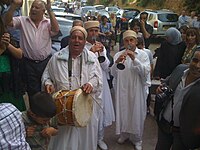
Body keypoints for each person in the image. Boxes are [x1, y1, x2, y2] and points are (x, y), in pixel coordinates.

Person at [42, 26, 103, 150]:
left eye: (80, 38)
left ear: (85, 41)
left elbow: (98, 78)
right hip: (63, 108)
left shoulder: (92, 58)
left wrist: (90, 84)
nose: (76, 41)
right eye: (74, 37)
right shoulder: (57, 57)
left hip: (85, 107)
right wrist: (48, 84)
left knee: (84, 142)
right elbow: (46, 76)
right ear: (69, 39)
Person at [5, 0, 59, 98]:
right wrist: (13, 6)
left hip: (45, 63)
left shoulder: (48, 23)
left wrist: (50, 10)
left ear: (43, 11)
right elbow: (8, 22)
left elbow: (56, 29)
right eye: (32, 7)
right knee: (33, 93)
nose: (33, 9)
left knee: (47, 90)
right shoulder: (22, 21)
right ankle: (35, 112)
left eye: (37, 8)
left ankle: (45, 112)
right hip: (28, 64)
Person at [111, 30, 150, 150]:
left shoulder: (143, 55)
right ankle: (124, 134)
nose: (129, 43)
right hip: (123, 89)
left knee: (137, 113)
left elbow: (145, 72)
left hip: (137, 89)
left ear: (136, 41)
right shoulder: (118, 55)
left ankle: (137, 139)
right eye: (126, 40)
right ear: (123, 42)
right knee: (124, 111)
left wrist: (134, 59)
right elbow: (113, 73)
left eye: (131, 40)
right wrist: (117, 62)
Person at [155, 48, 200, 150]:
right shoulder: (180, 69)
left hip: (184, 134)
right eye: (195, 60)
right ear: (190, 60)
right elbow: (167, 81)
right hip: (164, 125)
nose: (198, 66)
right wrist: (160, 88)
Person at [84, 21, 115, 150]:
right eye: (91, 31)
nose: (94, 33)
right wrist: (91, 51)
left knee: (101, 112)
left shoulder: (101, 46)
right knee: (89, 112)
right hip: (88, 83)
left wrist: (102, 53)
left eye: (96, 31)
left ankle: (100, 138)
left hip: (101, 83)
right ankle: (88, 139)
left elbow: (106, 67)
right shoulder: (82, 46)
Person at [0, 16, 26, 111]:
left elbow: (19, 54)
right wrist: (2, 49)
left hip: (11, 85)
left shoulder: (6, 36)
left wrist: (7, 45)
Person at [137, 36, 153, 114]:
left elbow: (151, 64)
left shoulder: (147, 52)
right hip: (138, 78)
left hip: (146, 76)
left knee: (147, 93)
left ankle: (146, 107)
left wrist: (150, 74)